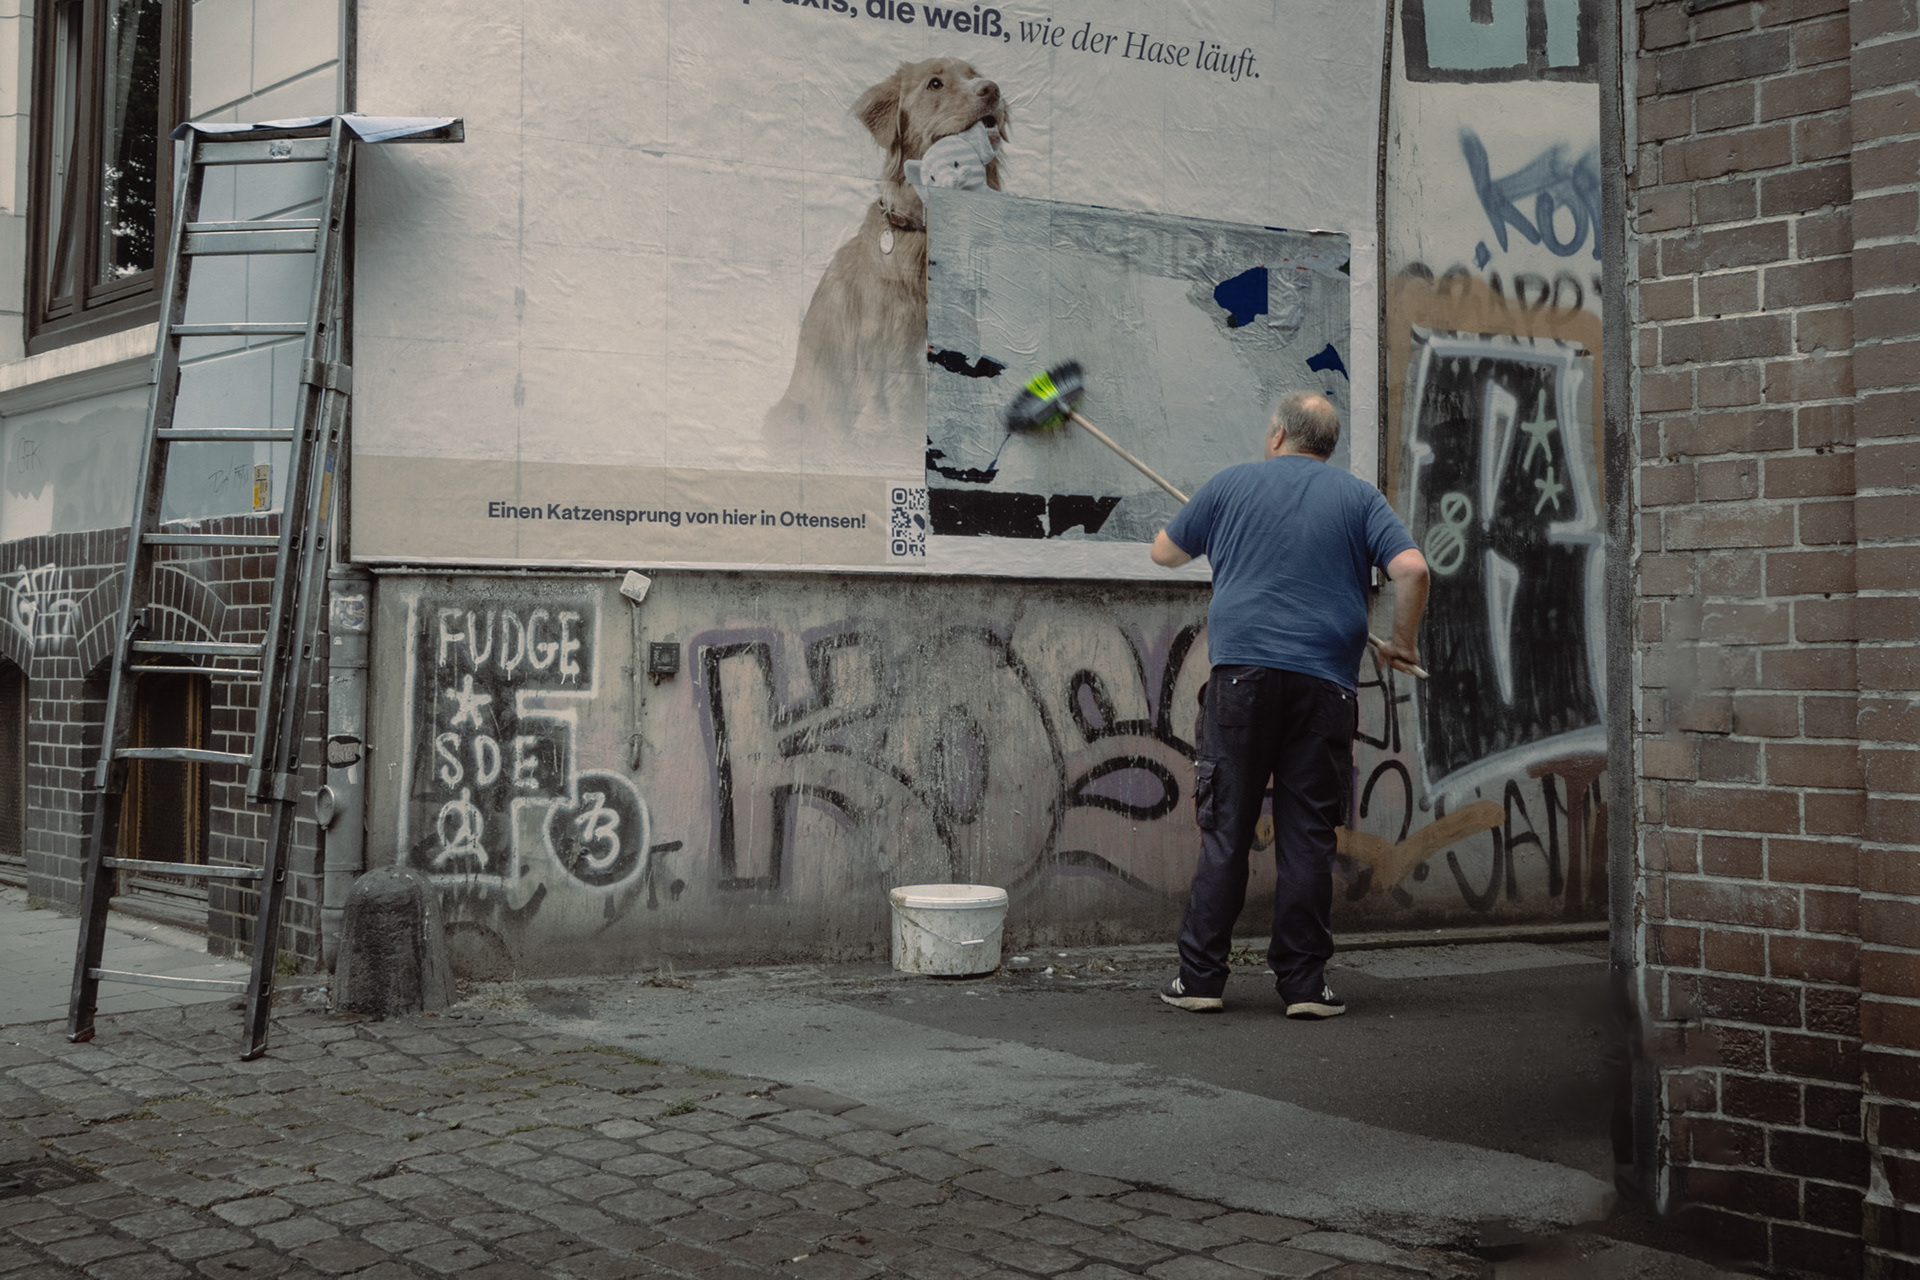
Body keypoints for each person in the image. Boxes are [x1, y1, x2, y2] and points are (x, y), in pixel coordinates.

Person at [1150, 392, 1428, 1020]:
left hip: (1241, 683)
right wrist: (1402, 643)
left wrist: (1216, 535)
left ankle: (1200, 980)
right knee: (1307, 836)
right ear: (1327, 446)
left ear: (1278, 434)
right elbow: (1412, 570)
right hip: (1325, 688)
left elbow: (1163, 552)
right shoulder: (1359, 499)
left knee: (1226, 830)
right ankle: (1303, 987)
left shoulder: (1231, 485)